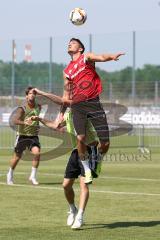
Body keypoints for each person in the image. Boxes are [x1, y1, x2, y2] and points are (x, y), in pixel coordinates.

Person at [59, 38, 125, 184]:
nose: (70, 43)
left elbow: (101, 57)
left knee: (105, 143)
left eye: (73, 42)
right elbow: (66, 95)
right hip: (77, 106)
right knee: (80, 138)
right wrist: (61, 114)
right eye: (69, 42)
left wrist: (112, 57)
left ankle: (98, 160)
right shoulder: (67, 71)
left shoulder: (86, 58)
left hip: (94, 103)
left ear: (80, 49)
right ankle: (87, 169)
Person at [31, 108, 100, 229]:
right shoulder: (68, 114)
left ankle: (80, 216)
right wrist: (40, 119)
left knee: (84, 185)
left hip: (89, 150)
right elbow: (55, 125)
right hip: (75, 151)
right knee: (66, 185)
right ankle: (73, 209)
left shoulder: (84, 111)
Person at [7, 86, 41, 185]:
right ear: (26, 96)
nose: (32, 95)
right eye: (30, 93)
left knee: (37, 153)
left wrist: (37, 125)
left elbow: (36, 119)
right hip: (22, 136)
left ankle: (33, 176)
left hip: (33, 136)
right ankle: (10, 174)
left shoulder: (38, 107)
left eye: (34, 93)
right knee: (17, 157)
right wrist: (25, 123)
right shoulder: (22, 108)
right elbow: (14, 120)